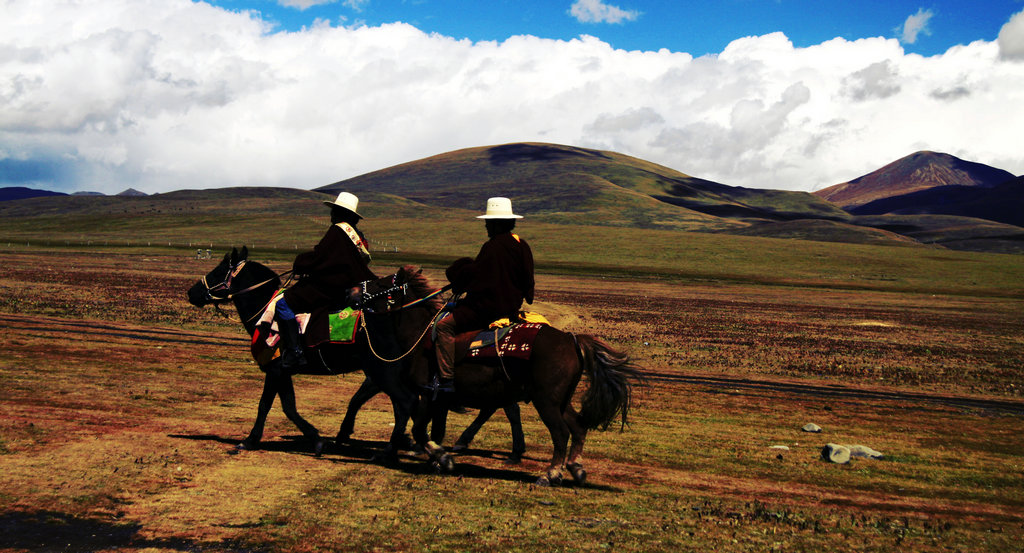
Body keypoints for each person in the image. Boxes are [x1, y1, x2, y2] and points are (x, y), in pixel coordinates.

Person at [434, 197, 535, 392]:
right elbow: (528, 282)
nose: (486, 227)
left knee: (443, 326)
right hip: (511, 310)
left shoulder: (492, 247)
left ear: (497, 224)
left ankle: (446, 380)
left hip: (485, 311)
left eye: (488, 223)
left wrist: (459, 276)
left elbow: (477, 279)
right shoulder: (522, 245)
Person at [275, 191, 377, 372]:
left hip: (329, 287)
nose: (331, 215)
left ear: (340, 213)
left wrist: (300, 262)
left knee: (283, 304)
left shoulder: (338, 231)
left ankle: (294, 351)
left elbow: (321, 258)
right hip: (346, 286)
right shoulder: (357, 236)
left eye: (334, 210)